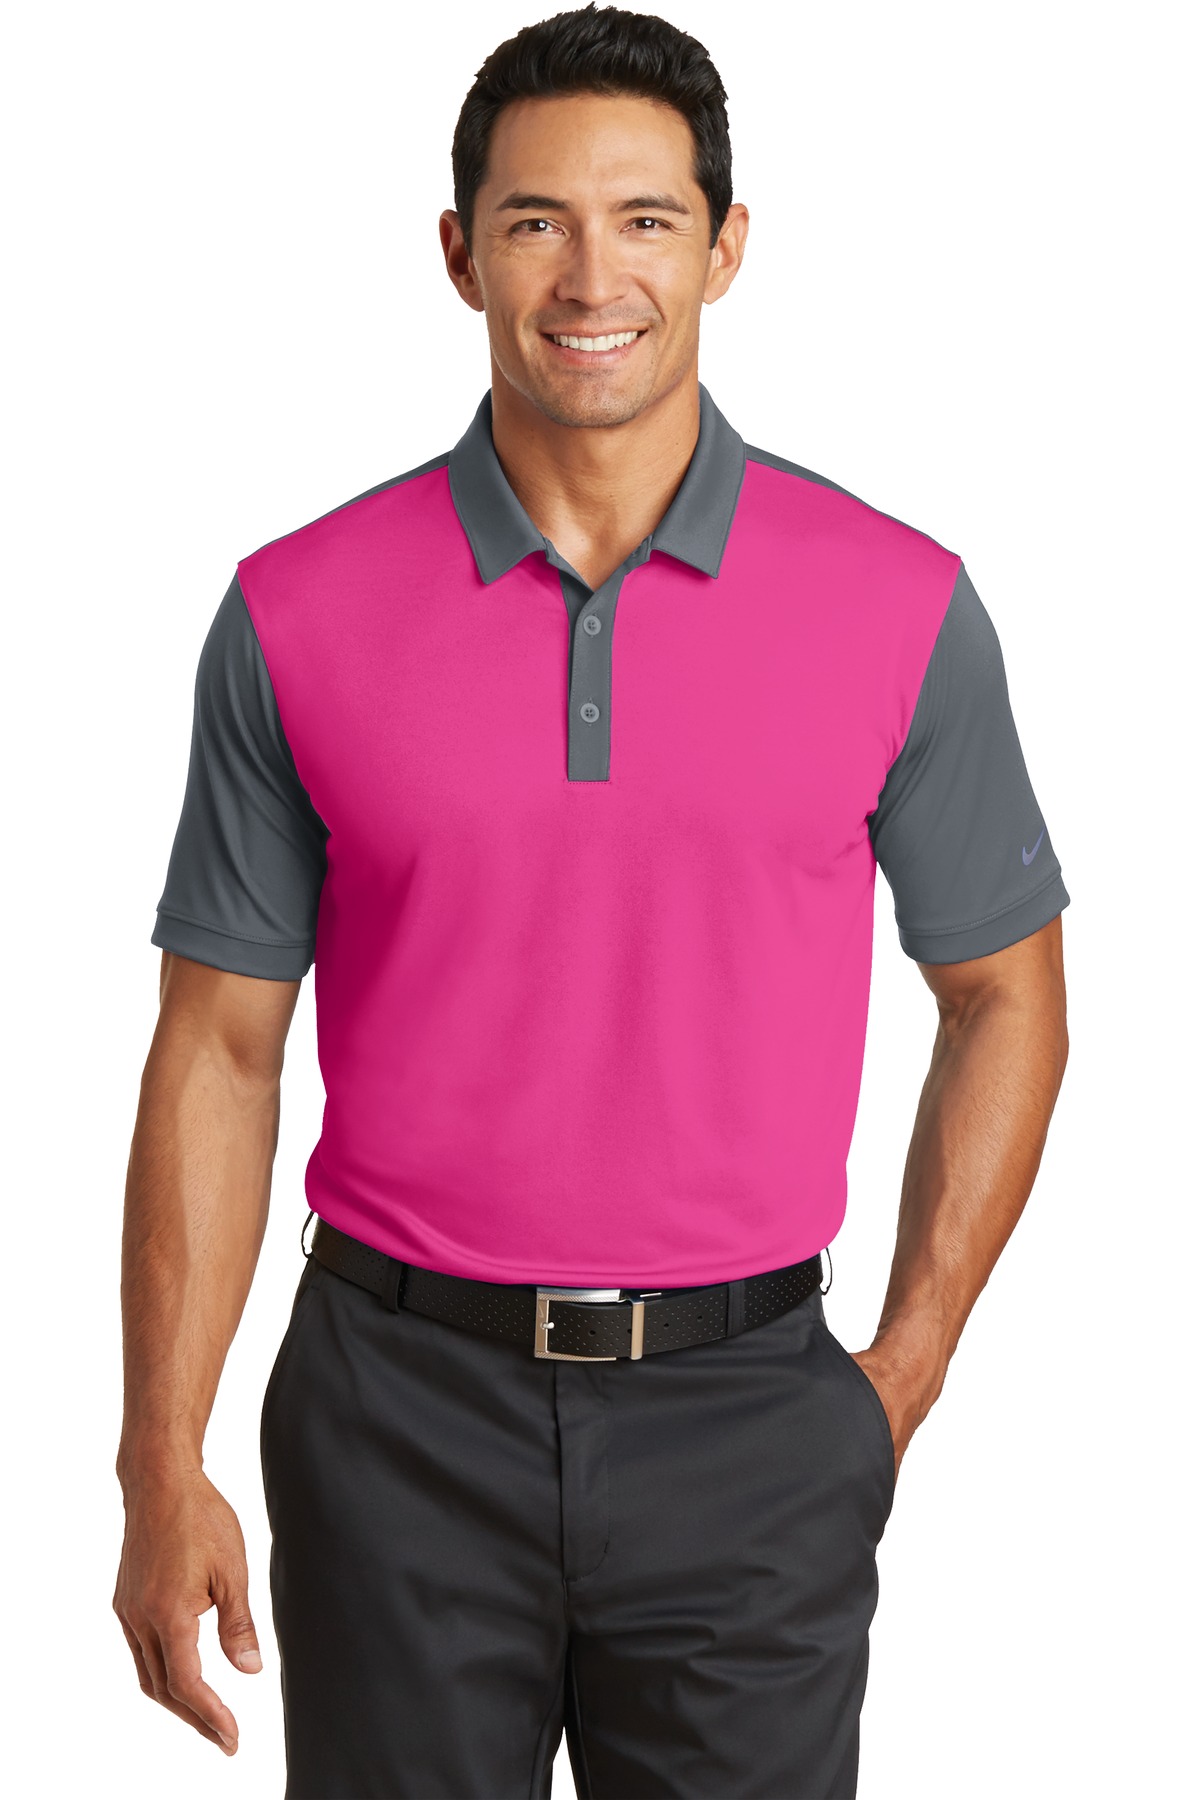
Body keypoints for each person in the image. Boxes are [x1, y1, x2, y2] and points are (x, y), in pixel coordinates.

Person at [112, 6, 1071, 1796]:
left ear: (725, 246)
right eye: (537, 220)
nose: (590, 276)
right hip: (395, 1419)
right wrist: (159, 1460)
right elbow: (220, 1050)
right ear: (458, 251)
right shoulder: (295, 612)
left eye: (645, 219)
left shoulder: (901, 604)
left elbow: (1008, 991)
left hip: (753, 1417)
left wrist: (902, 1373)